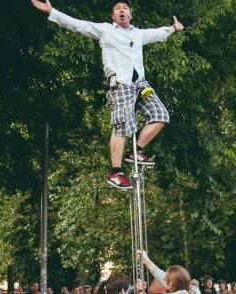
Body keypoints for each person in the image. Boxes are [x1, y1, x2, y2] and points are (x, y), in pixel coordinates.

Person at [31, 0, 184, 190]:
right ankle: (115, 173)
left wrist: (175, 28)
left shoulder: (138, 34)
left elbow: (160, 32)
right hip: (120, 84)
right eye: (118, 9)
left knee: (161, 116)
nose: (122, 10)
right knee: (121, 125)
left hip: (140, 84)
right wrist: (51, 11)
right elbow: (77, 24)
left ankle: (136, 151)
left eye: (125, 8)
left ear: (130, 15)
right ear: (113, 16)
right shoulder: (105, 30)